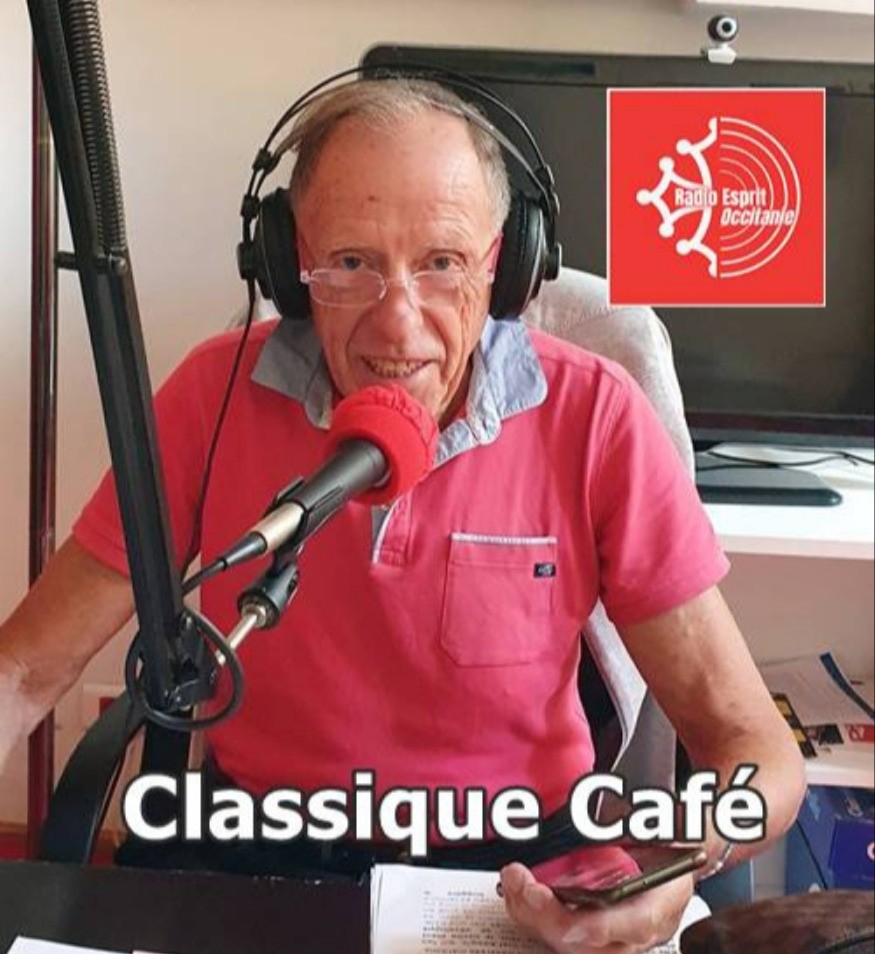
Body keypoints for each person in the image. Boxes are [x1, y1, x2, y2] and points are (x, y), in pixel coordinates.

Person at [0, 76, 804, 953]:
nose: (397, 323)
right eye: (351, 263)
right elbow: (24, 672)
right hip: (254, 855)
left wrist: (673, 861)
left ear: (503, 266)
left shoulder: (595, 416)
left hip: (518, 874)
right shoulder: (211, 397)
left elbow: (752, 747)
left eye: (441, 263)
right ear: (290, 262)